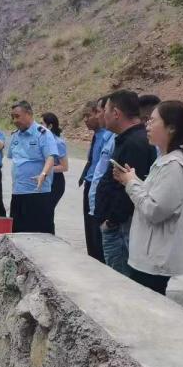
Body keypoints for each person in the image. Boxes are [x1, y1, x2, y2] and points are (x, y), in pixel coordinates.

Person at [112, 100, 183, 295]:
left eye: (153, 121)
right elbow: (155, 197)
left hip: (154, 259)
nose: (147, 125)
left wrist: (131, 184)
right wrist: (133, 179)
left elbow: (155, 211)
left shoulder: (173, 166)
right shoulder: (164, 160)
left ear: (171, 128)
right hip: (148, 255)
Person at [94, 91, 154, 275]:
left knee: (120, 282)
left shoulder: (134, 143)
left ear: (116, 113)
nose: (102, 115)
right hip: (118, 227)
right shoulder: (127, 139)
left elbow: (129, 190)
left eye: (105, 110)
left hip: (121, 230)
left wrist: (112, 221)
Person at [8, 100, 59, 234]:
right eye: (13, 117)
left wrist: (43, 174)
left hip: (37, 194)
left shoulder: (43, 134)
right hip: (18, 193)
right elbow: (14, 159)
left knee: (40, 235)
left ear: (29, 114)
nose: (14, 120)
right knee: (18, 234)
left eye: (17, 116)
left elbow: (50, 157)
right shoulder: (15, 136)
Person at [78, 99, 107, 262]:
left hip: (98, 187)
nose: (85, 120)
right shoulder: (97, 135)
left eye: (88, 115)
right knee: (89, 228)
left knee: (96, 231)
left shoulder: (107, 136)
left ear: (98, 113)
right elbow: (92, 160)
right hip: (89, 184)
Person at [87, 96, 116, 232]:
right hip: (96, 197)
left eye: (99, 111)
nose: (97, 116)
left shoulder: (116, 140)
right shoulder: (107, 137)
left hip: (105, 206)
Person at [41, 112, 68, 234]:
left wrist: (46, 169)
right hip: (45, 179)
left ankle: (49, 236)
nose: (39, 127)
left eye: (42, 124)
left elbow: (64, 167)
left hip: (56, 181)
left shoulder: (58, 143)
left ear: (50, 126)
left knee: (47, 211)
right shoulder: (42, 140)